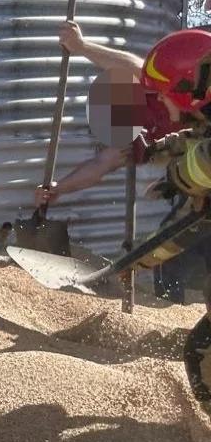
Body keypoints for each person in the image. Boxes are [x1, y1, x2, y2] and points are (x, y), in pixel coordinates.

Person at [38, 28, 211, 303]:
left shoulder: (160, 87)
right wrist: (60, 188)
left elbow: (128, 63)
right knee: (173, 248)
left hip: (198, 170)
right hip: (199, 180)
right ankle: (171, 308)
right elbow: (101, 163)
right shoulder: (134, 139)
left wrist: (82, 46)